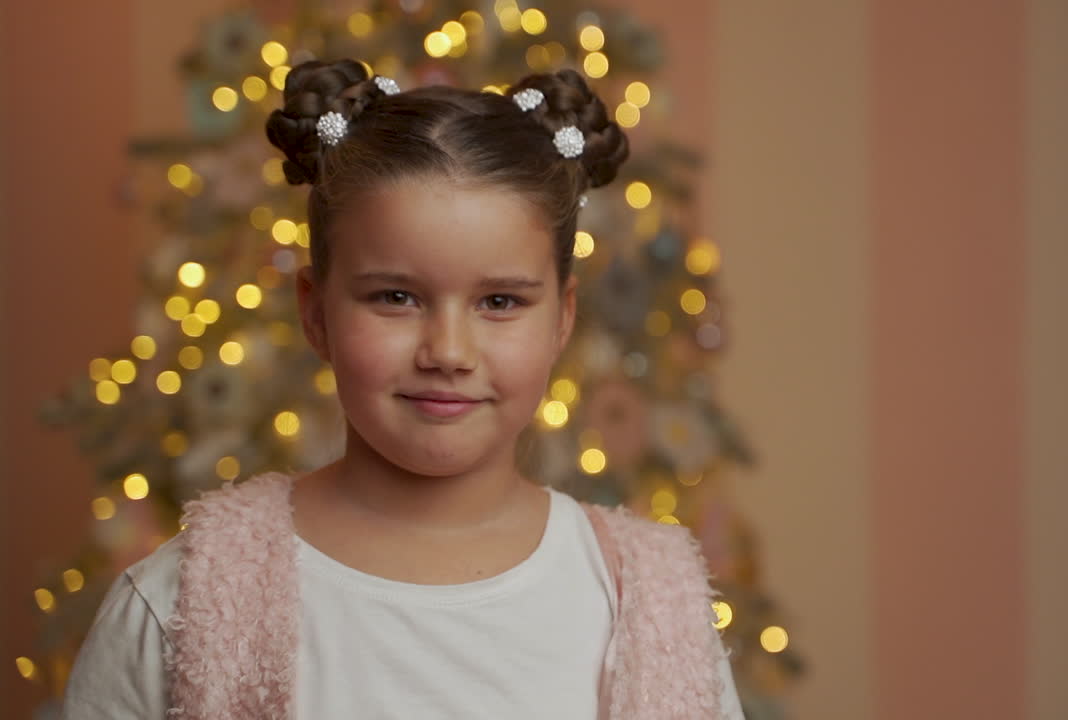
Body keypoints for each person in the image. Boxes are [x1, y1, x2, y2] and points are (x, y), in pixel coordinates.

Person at [62, 59, 744, 719]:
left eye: (501, 302)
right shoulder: (184, 605)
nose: (447, 352)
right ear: (315, 310)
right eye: (395, 296)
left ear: (562, 317)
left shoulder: (654, 605)